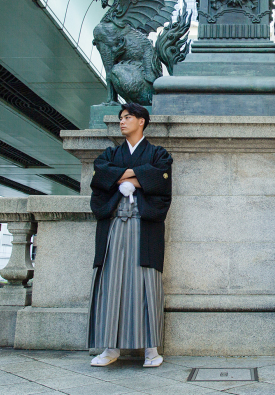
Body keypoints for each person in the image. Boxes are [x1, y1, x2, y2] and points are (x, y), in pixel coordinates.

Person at [87, 103, 172, 367]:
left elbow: (161, 180)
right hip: (114, 225)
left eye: (127, 117)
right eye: (121, 118)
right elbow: (100, 175)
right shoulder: (111, 153)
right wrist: (141, 176)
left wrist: (123, 178)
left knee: (146, 283)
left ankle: (151, 350)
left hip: (143, 225)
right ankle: (110, 348)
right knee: (111, 283)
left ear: (141, 121)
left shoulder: (158, 154)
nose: (122, 122)